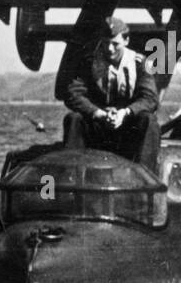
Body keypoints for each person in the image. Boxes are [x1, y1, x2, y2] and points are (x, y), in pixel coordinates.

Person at [62, 17, 161, 172]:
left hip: (127, 129)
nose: (109, 49)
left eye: (115, 44)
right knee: (74, 119)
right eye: (105, 43)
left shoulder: (140, 63)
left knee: (149, 120)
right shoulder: (89, 62)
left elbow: (149, 98)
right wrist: (98, 113)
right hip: (99, 127)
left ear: (126, 41)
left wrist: (125, 113)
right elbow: (73, 94)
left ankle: (145, 177)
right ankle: (71, 176)